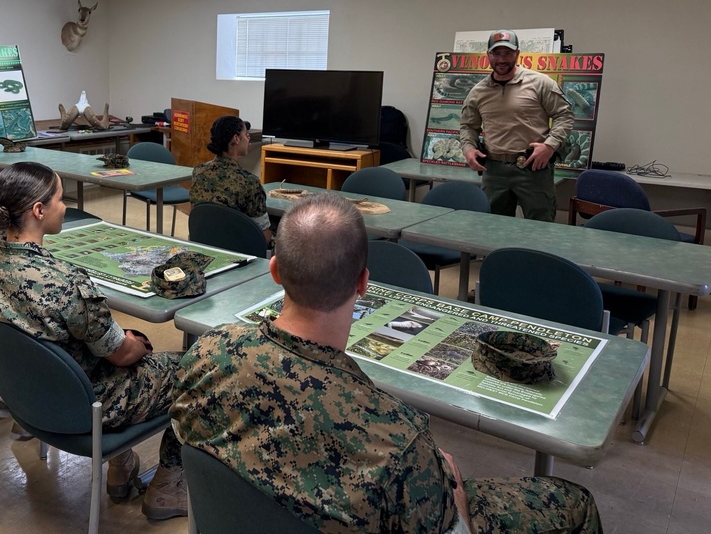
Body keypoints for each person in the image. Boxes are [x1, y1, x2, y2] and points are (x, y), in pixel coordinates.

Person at [172, 193, 603, 534]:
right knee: (574, 502)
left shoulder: (207, 353)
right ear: (363, 283)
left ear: (275, 271)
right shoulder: (399, 440)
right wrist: (453, 493)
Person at [0, 162, 187, 522]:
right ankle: (166, 488)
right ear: (39, 210)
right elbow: (120, 355)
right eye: (59, 198)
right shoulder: (65, 282)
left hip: (27, 398)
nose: (65, 205)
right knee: (193, 369)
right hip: (85, 403)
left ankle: (121, 466)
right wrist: (139, 344)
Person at [459, 30, 574, 222]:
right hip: (494, 171)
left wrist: (550, 146)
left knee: (540, 228)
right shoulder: (478, 91)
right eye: (496, 53)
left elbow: (564, 115)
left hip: (533, 168)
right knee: (493, 228)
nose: (501, 59)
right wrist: (468, 148)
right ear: (488, 55)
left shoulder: (540, 83)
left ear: (517, 53)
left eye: (508, 53)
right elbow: (468, 125)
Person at [189, 115, 271, 244]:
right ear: (236, 139)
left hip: (205, 244)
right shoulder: (249, 182)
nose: (249, 137)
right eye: (246, 134)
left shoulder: (199, 171)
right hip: (238, 251)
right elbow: (264, 237)